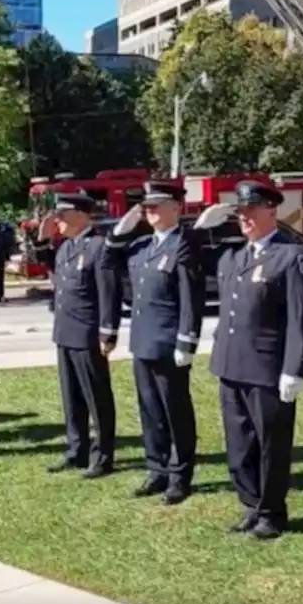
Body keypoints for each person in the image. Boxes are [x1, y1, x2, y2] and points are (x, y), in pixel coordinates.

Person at [207, 181, 303, 540]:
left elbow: (302, 319)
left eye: (252, 211)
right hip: (231, 365)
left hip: (268, 368)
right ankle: (250, 503)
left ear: (272, 211)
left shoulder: (290, 257)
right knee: (239, 444)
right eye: (241, 213)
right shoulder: (236, 257)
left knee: (271, 442)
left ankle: (272, 510)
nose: (245, 219)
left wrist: (295, 368)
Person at [102, 182, 205, 506]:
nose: (150, 212)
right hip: (143, 341)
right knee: (149, 411)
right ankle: (156, 468)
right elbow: (107, 259)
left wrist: (187, 341)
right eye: (146, 207)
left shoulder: (183, 245)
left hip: (168, 341)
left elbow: (191, 297)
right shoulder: (142, 246)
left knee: (175, 411)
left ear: (177, 208)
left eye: (157, 206)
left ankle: (179, 475)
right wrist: (122, 229)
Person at [33, 194, 120, 478]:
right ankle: (76, 449)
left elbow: (109, 293)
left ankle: (103, 454)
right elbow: (42, 263)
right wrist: (41, 237)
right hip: (65, 331)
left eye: (62, 215)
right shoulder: (65, 247)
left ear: (82, 215)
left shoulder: (98, 247)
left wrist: (108, 331)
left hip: (87, 333)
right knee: (71, 398)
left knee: (96, 398)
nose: (57, 220)